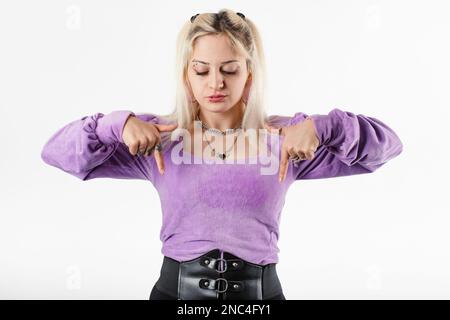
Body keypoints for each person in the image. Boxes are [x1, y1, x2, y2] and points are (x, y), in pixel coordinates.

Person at [41, 9, 403, 300]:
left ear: (249, 74)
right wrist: (115, 125)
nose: (216, 83)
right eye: (202, 70)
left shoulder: (285, 139)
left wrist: (326, 127)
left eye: (229, 70)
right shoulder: (158, 140)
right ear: (186, 77)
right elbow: (56, 153)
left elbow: (387, 147)